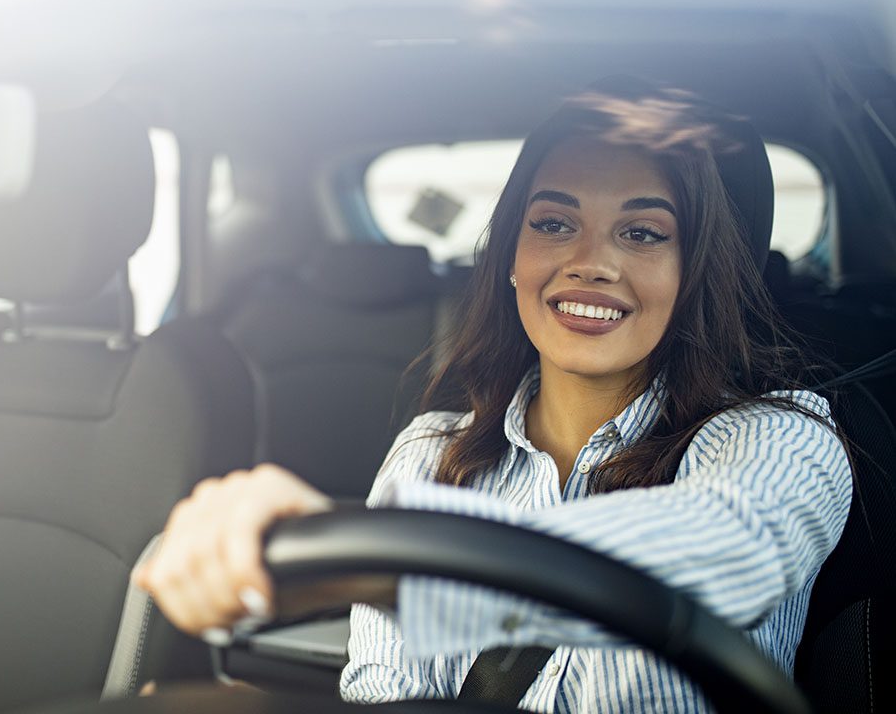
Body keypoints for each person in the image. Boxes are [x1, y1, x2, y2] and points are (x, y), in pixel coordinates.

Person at [132, 78, 852, 711]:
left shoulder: (782, 441)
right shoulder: (430, 455)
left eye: (641, 232)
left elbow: (730, 554)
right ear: (512, 256)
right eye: (553, 223)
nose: (589, 263)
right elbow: (390, 698)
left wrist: (385, 568)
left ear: (694, 272)